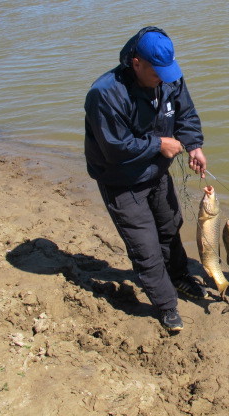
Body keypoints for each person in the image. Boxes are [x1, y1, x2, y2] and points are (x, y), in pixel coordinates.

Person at [84, 26, 208, 332]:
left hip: (157, 172)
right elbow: (115, 147)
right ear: (136, 63)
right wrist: (159, 145)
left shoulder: (169, 77)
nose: (164, 79)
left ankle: (179, 277)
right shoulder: (105, 94)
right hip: (121, 180)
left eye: (168, 72)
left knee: (170, 227)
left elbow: (185, 114)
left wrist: (194, 145)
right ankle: (166, 305)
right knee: (145, 246)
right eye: (157, 73)